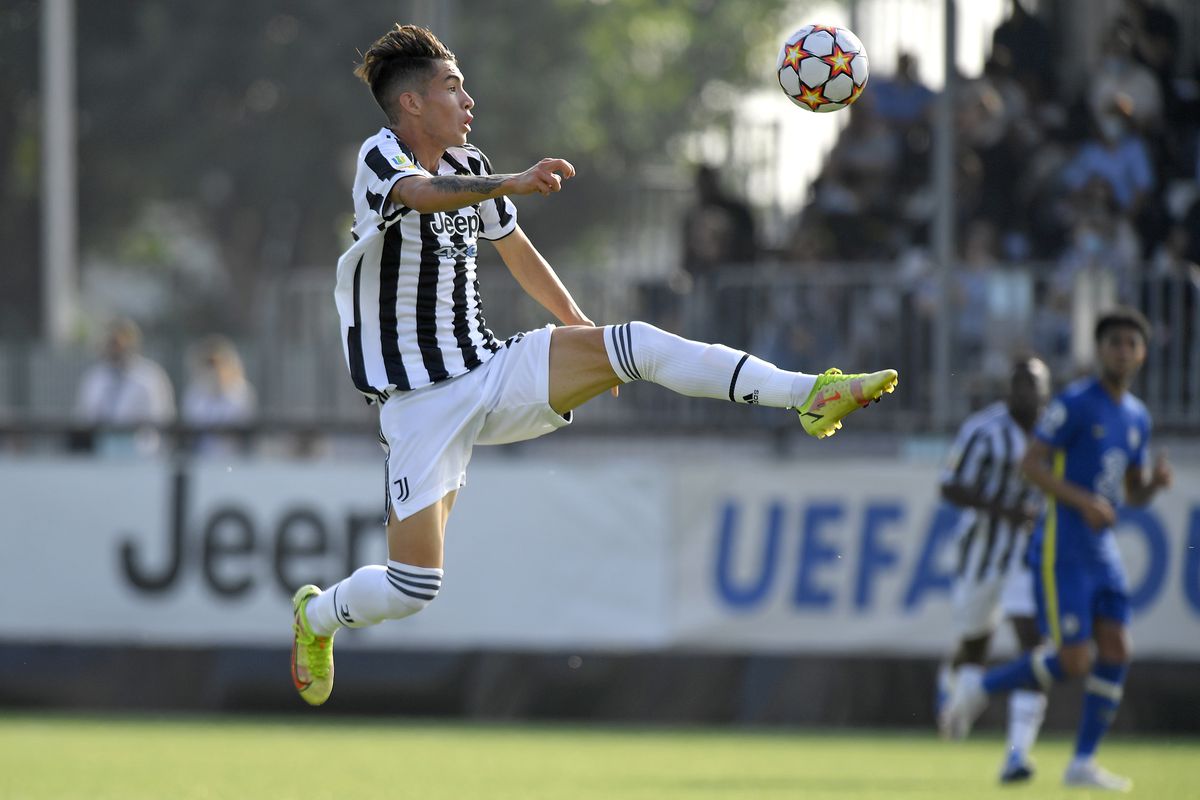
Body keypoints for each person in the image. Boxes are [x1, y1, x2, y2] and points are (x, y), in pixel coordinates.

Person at [290, 24, 899, 706]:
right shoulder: (380, 160)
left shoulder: (468, 165)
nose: (468, 100)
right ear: (410, 105)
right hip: (418, 403)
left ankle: (808, 393)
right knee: (413, 590)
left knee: (633, 344)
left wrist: (583, 334)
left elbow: (518, 252)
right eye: (453, 88)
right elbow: (423, 197)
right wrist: (517, 180)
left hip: (491, 369)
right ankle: (316, 616)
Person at [941, 307, 1173, 791]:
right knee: (1070, 660)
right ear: (1101, 351)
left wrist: (1152, 486)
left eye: (1131, 343)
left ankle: (1072, 760)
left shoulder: (1136, 417)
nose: (1122, 351)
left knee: (1115, 650)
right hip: (1058, 543)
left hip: (1099, 547)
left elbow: (1130, 491)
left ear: (1143, 353)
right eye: (1114, 343)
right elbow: (1032, 464)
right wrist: (1082, 500)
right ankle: (978, 687)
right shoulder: (1074, 404)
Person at [935, 357, 1051, 784]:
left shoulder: (1056, 430)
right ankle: (959, 702)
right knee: (974, 645)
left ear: (1046, 390)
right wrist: (1002, 509)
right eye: (1019, 385)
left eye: (1034, 385)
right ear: (1009, 390)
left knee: (1032, 643)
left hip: (1028, 556)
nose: (1026, 394)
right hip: (981, 553)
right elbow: (948, 485)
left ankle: (1017, 754)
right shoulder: (984, 430)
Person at [74, 317, 176, 455]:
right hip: (102, 456)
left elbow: (163, 418)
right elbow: (83, 417)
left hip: (143, 456)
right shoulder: (95, 378)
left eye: (117, 343)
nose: (113, 348)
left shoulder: (151, 376)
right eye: (109, 342)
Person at [181, 335, 257, 456]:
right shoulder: (194, 392)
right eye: (208, 364)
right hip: (201, 460)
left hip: (233, 462)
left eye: (216, 363)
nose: (212, 369)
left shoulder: (242, 392)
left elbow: (243, 428)